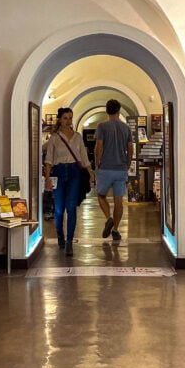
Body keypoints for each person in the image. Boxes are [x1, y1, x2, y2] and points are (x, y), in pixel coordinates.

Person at [42, 107, 91, 255]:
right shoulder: (54, 138)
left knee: (71, 207)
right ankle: (59, 234)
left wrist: (91, 172)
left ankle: (70, 241)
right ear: (60, 119)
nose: (68, 121)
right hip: (58, 172)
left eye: (70, 118)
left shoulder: (77, 137)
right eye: (65, 118)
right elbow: (49, 160)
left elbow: (84, 157)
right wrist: (48, 179)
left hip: (74, 172)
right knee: (58, 208)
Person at [93, 99, 134, 243]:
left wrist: (97, 164)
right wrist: (127, 164)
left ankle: (108, 218)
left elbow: (99, 147)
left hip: (105, 168)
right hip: (121, 169)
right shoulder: (126, 128)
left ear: (107, 110)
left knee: (100, 196)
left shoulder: (102, 126)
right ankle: (115, 230)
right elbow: (130, 149)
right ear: (119, 110)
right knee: (119, 201)